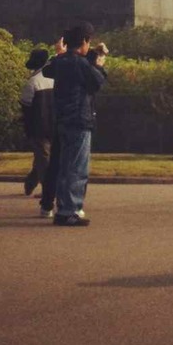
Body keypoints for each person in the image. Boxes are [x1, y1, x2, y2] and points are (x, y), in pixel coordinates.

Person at [49, 22, 106, 227]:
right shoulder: (79, 63)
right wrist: (99, 63)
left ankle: (63, 208)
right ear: (84, 41)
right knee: (77, 168)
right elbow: (97, 81)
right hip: (79, 119)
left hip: (63, 119)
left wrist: (60, 53)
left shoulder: (61, 61)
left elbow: (51, 70)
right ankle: (70, 209)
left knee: (66, 167)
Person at [20, 48, 57, 215]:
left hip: (37, 128)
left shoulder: (32, 82)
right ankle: (34, 183)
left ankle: (39, 187)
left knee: (43, 160)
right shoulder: (56, 80)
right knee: (45, 160)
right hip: (54, 126)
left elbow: (25, 106)